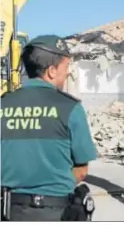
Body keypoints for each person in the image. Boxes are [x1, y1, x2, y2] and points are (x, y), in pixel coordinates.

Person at [1, 35, 97, 221]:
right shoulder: (71, 108)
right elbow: (81, 170)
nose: (67, 73)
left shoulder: (3, 104)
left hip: (8, 212)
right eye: (66, 67)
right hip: (56, 212)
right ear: (52, 71)